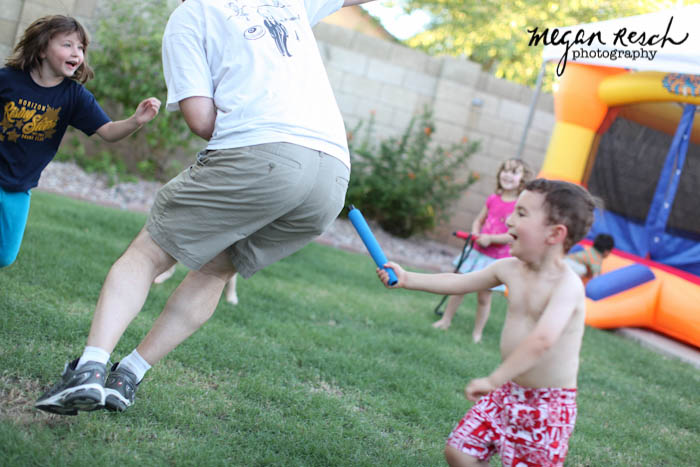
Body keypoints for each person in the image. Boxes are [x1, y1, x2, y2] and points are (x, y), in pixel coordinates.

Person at [35, 0, 374, 415]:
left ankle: (88, 370)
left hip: (265, 152)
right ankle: (128, 376)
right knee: (216, 269)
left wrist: (245, 141)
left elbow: (199, 119)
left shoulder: (191, 14)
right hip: (332, 176)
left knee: (148, 254)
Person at [378, 178, 596, 467]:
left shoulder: (567, 286)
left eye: (521, 213)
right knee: (460, 451)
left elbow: (542, 340)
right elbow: (459, 282)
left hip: (546, 408)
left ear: (554, 233)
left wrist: (494, 379)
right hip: (507, 392)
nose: (508, 220)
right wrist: (408, 278)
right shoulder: (509, 269)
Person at [0, 15, 161, 268]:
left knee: (4, 255)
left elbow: (108, 131)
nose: (77, 53)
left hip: (19, 186)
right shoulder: (8, 79)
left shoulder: (74, 96)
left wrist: (135, 121)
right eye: (67, 44)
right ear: (42, 49)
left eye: (81, 47)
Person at [433, 158, 532, 342]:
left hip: (494, 259)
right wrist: (476, 233)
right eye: (505, 170)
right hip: (476, 253)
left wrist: (491, 239)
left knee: (484, 297)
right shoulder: (493, 199)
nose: (508, 175)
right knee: (458, 287)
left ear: (522, 179)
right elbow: (478, 220)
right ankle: (445, 320)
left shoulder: (518, 207)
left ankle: (477, 333)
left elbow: (513, 235)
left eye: (514, 172)